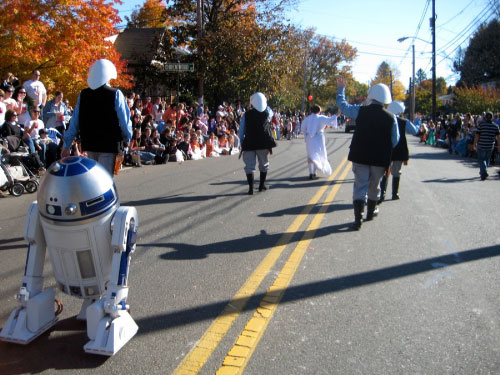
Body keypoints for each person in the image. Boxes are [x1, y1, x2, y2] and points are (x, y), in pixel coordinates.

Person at [336, 76, 399, 230]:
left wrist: (341, 90)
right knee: (374, 186)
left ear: (371, 96)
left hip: (360, 155)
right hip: (380, 158)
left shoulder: (360, 111)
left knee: (359, 186)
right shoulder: (392, 117)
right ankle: (370, 213)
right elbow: (395, 140)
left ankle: (358, 220)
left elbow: (343, 107)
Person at [62, 59, 132, 176]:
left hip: (90, 143)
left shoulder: (83, 94)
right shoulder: (115, 94)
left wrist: (66, 145)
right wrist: (127, 138)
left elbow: (75, 121)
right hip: (109, 144)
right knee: (105, 181)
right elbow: (124, 121)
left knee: (93, 180)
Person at [379, 101, 420, 202]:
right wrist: (418, 121)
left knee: (385, 172)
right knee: (396, 172)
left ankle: (382, 194)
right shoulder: (403, 121)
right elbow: (415, 131)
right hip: (399, 150)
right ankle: (395, 194)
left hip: (387, 148)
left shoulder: (385, 119)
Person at [239, 92, 277, 195]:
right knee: (264, 164)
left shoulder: (246, 115)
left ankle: (251, 188)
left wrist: (242, 142)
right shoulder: (267, 113)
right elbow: (270, 112)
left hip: (249, 142)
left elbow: (241, 130)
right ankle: (261, 186)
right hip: (263, 143)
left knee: (249, 166)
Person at [301, 105, 336, 180]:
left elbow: (303, 128)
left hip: (309, 138)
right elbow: (331, 120)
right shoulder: (321, 117)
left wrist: (308, 132)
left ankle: (311, 172)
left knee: (311, 155)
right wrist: (337, 114)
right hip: (319, 138)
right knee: (319, 153)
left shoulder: (307, 119)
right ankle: (314, 171)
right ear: (319, 111)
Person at [473, 112, 500, 180]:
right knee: (487, 159)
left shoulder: (481, 125)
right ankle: (483, 171)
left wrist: (475, 143)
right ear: (492, 117)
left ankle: (483, 172)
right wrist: (499, 145)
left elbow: (477, 135)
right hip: (490, 145)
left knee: (481, 159)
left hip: (481, 144)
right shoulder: (495, 126)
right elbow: (498, 137)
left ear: (485, 117)